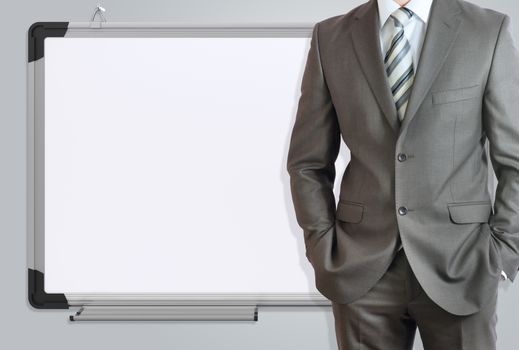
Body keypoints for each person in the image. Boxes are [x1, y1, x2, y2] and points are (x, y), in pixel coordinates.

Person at [286, 0, 519, 348]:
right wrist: (321, 245)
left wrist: (503, 253)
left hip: (462, 265)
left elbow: (515, 159)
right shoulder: (330, 37)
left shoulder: (486, 30)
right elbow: (307, 163)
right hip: (360, 269)